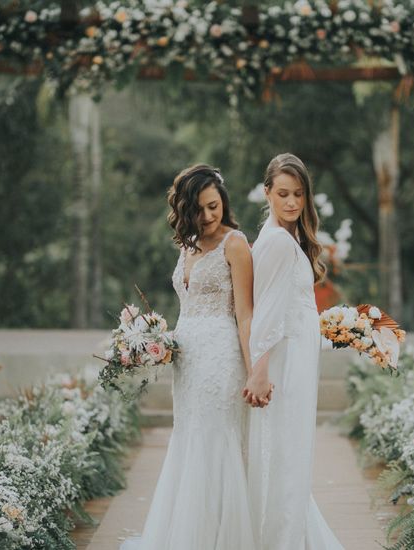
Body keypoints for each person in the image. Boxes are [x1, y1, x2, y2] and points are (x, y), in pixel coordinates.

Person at [122, 164, 257, 549]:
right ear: (185, 211)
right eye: (200, 209)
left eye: (215, 206)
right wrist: (158, 342)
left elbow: (245, 314)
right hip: (188, 360)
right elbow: (187, 306)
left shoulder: (236, 243)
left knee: (217, 438)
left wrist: (252, 370)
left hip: (221, 355)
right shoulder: (187, 245)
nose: (210, 215)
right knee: (190, 437)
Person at [243, 153, 345, 550]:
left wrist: (337, 332)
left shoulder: (287, 238)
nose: (290, 202)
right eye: (282, 193)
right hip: (284, 365)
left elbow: (294, 309)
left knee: (292, 451)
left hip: (300, 357)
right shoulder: (279, 243)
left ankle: (290, 533)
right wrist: (260, 370)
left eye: (298, 194)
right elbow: (266, 311)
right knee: (286, 452)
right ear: (266, 193)